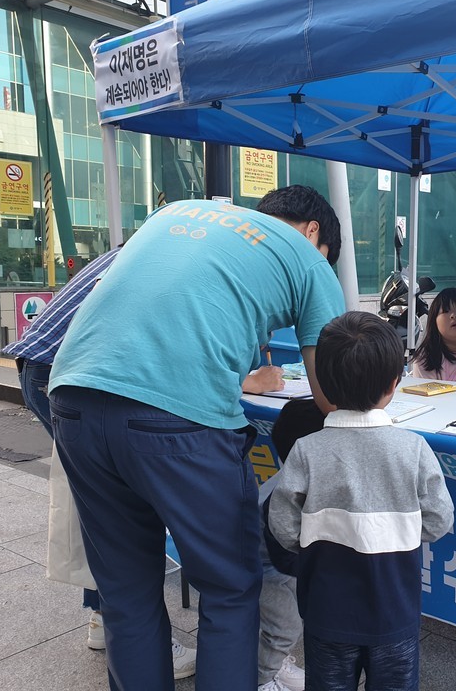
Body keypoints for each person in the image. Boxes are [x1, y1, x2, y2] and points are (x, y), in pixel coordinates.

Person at [48, 186, 345, 691]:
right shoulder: (311, 264)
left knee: (126, 592)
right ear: (316, 234)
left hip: (74, 392)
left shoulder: (180, 214)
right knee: (230, 587)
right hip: (177, 419)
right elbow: (330, 394)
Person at [2, 245, 211, 679]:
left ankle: (105, 618)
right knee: (122, 511)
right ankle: (137, 634)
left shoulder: (152, 248)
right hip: (67, 372)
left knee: (103, 505)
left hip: (46, 365)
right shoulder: (189, 259)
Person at [268, 311, 454, 691]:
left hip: (325, 612)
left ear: (326, 385)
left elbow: (282, 524)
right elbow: (439, 520)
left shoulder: (306, 450)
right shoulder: (413, 449)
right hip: (395, 613)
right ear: (394, 383)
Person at [256, 398, 328, 691]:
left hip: (271, 561)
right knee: (284, 627)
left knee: (276, 625)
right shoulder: (285, 496)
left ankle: (273, 662)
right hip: (266, 569)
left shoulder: (296, 476)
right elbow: (285, 556)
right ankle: (262, 679)